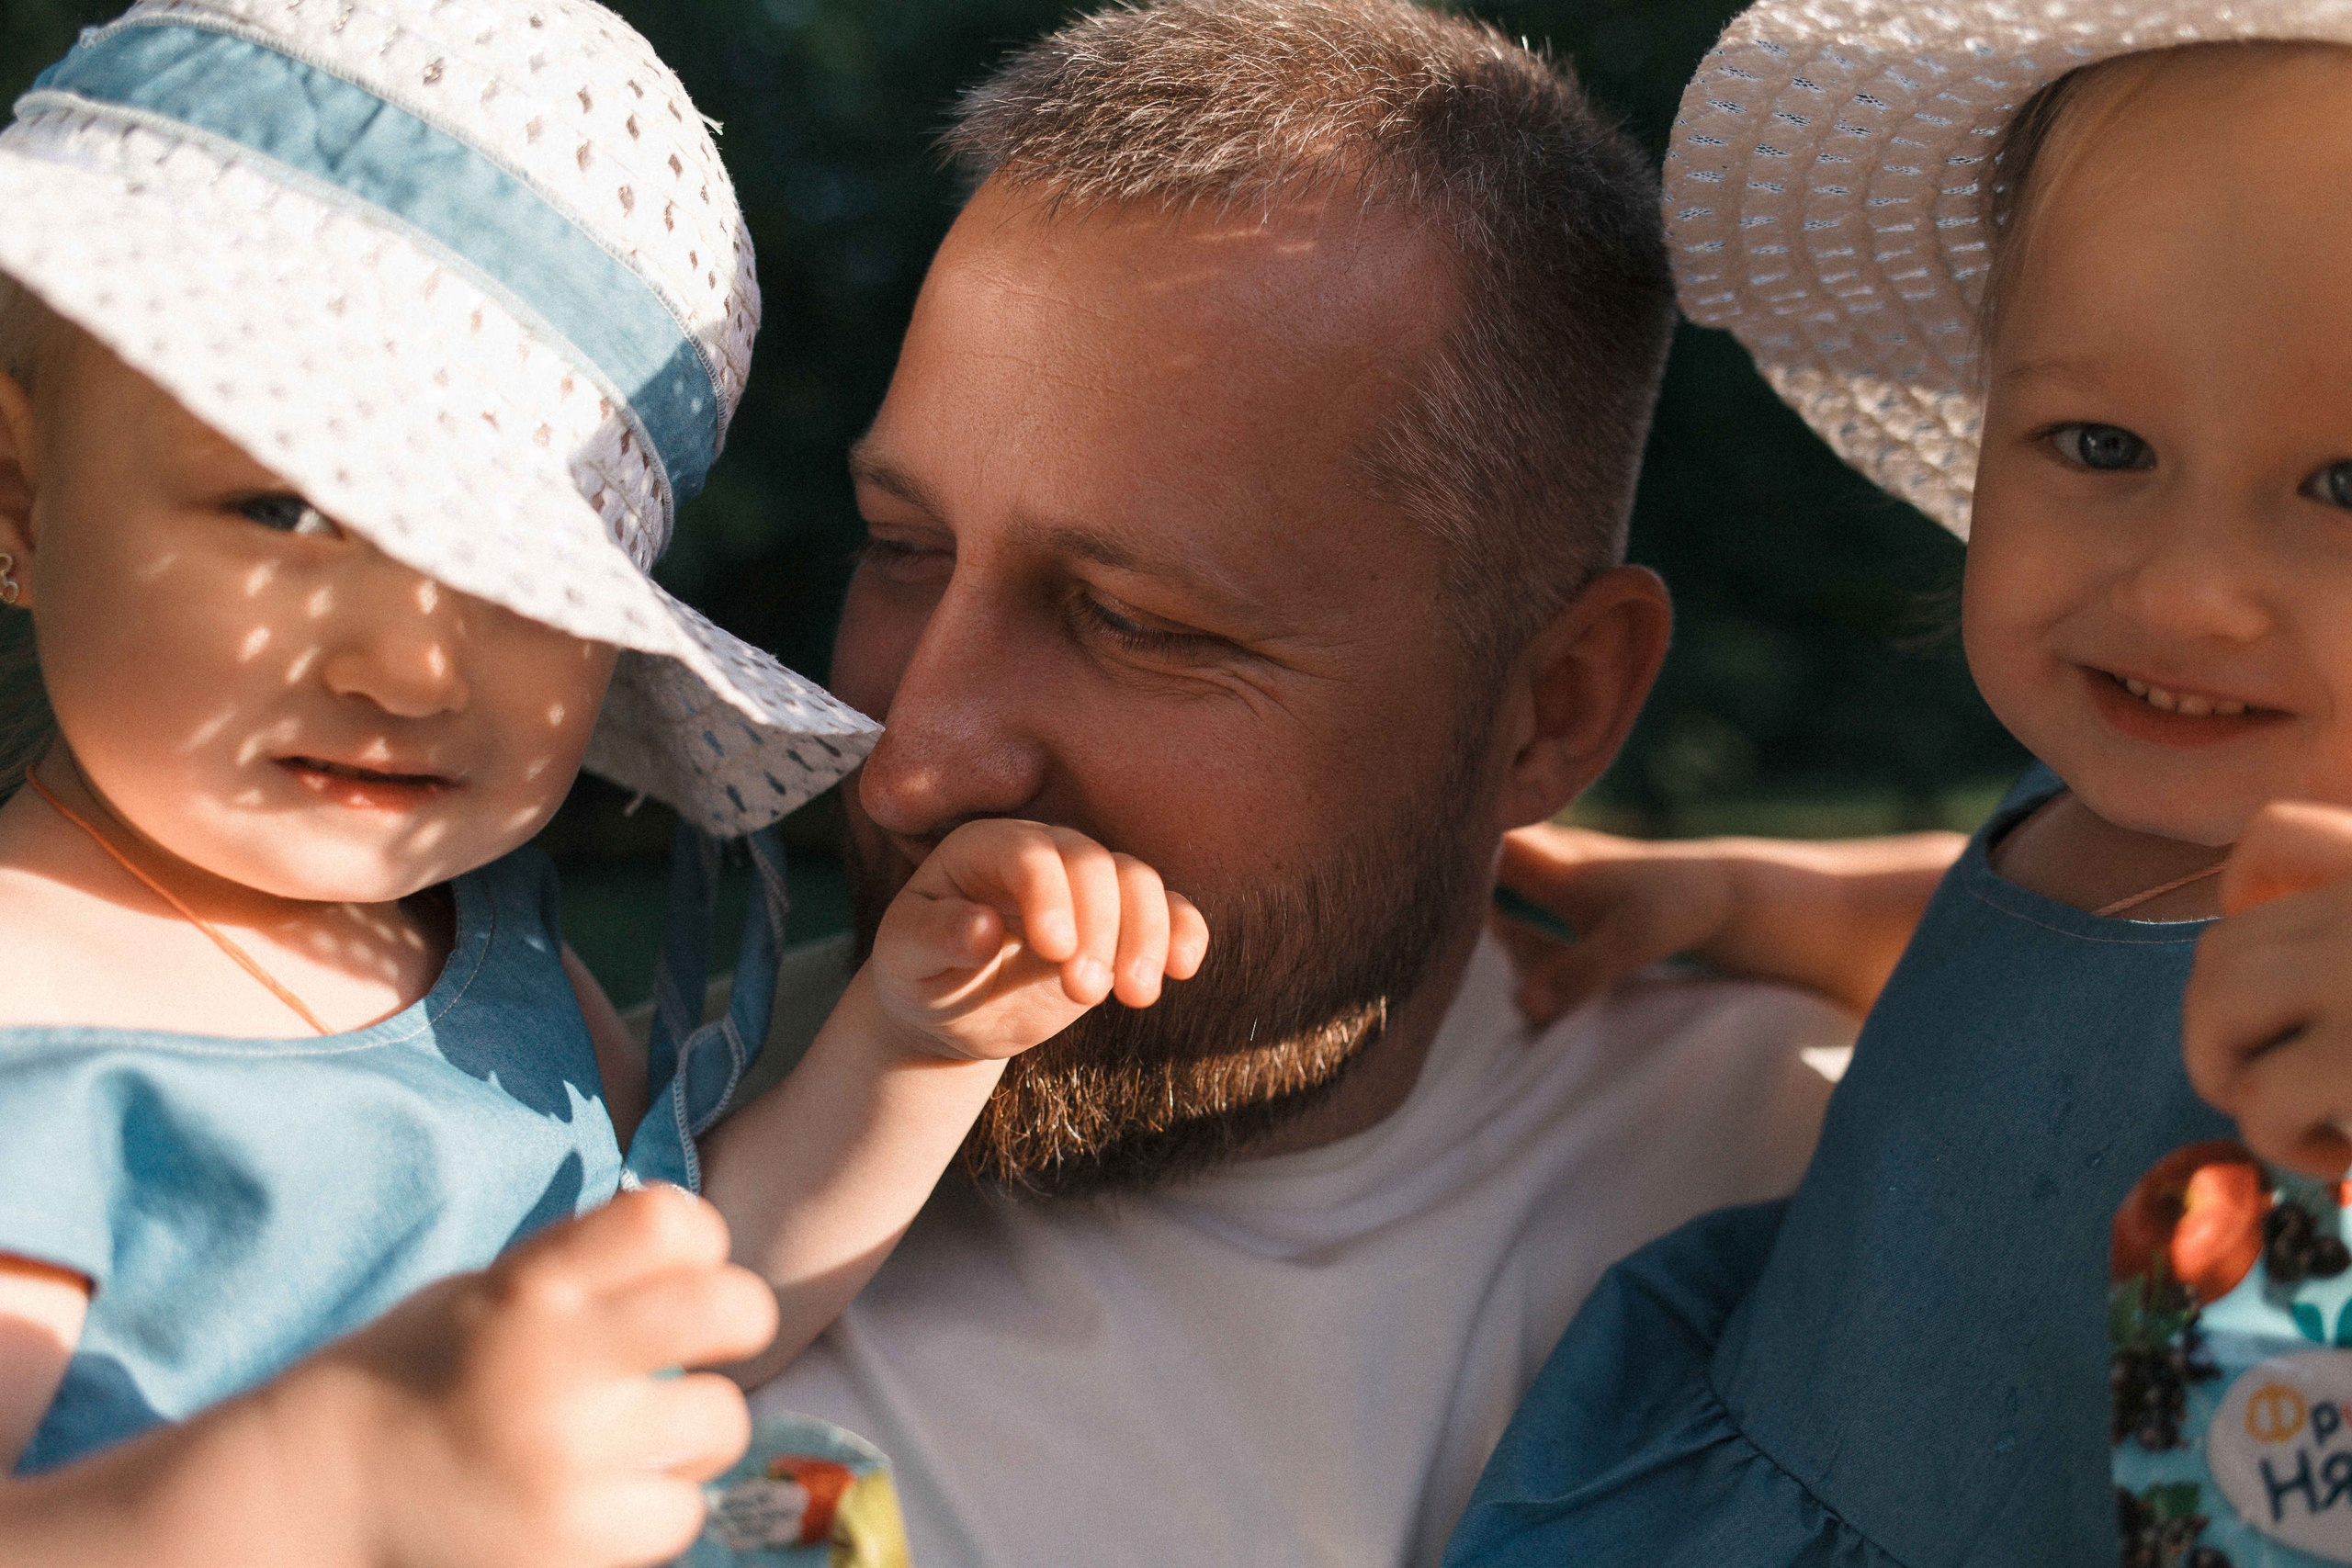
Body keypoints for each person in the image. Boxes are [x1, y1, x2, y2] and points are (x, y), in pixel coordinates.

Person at [0, 1, 1204, 1562]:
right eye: (285, 514)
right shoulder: (40, 1023)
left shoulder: (484, 939)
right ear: (20, 490)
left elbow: (695, 1307)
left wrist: (914, 1047)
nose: (411, 669)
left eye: (518, 579)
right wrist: (321, 1490)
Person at [721, 4, 1916, 1563]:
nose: (918, 759)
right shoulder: (610, 1156)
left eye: (1141, 624)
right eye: (903, 549)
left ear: (1553, 709)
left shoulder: (1828, 1179)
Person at [1443, 6, 2352, 1565]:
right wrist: (1737, 895)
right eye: (2102, 442)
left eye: (2345, 485)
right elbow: (2011, 955)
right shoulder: (2101, 804)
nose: (2193, 593)